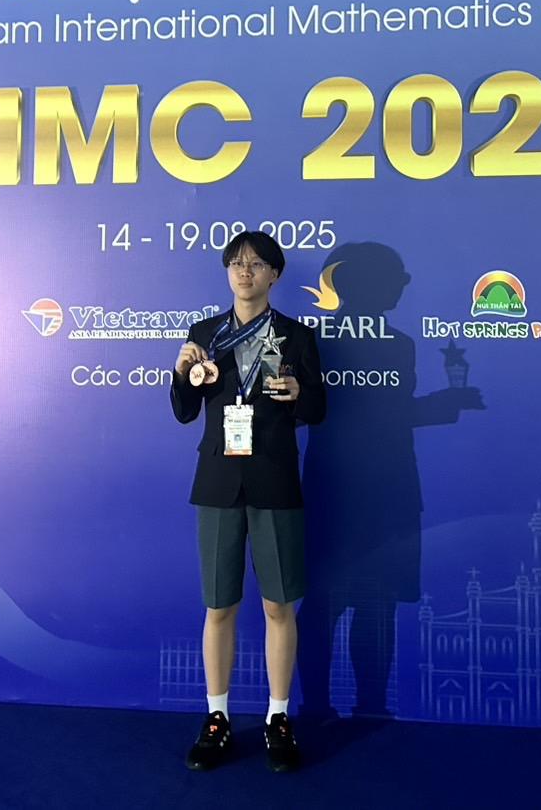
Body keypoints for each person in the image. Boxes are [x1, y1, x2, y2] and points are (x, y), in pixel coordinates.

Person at [170, 231, 325, 773]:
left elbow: (318, 409)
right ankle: (216, 717)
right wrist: (181, 373)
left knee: (279, 605)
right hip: (218, 482)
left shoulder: (297, 336)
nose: (244, 272)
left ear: (274, 275)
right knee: (219, 606)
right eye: (236, 263)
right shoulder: (204, 334)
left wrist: (300, 394)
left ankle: (278, 718)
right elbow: (184, 411)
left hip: (274, 480)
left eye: (256, 264)